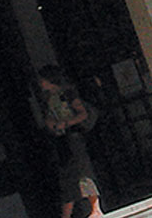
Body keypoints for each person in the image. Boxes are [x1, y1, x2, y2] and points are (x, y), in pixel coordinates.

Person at [35, 66, 101, 218]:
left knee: (82, 171)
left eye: (42, 79)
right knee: (67, 175)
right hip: (61, 139)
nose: (40, 83)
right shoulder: (47, 98)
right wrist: (51, 124)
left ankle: (95, 208)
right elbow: (48, 117)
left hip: (73, 136)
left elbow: (82, 114)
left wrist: (66, 123)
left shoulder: (68, 94)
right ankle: (66, 215)